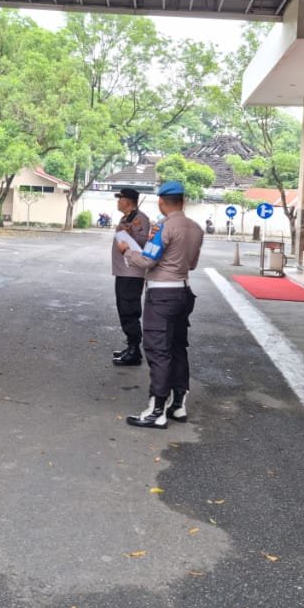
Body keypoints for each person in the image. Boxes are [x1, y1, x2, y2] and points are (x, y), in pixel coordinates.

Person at [119, 180, 204, 429]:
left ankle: (157, 410)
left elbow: (148, 261)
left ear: (161, 201)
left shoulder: (163, 227)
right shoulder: (196, 228)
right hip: (183, 292)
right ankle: (178, 404)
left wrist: (127, 251)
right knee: (178, 348)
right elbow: (193, 264)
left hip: (162, 295)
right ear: (183, 201)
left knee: (158, 350)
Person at [110, 187, 151, 367]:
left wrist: (128, 233)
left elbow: (141, 242)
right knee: (123, 308)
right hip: (123, 271)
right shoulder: (127, 217)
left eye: (120, 199)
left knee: (129, 310)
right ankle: (131, 346)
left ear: (127, 201)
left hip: (132, 272)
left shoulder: (139, 218)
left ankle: (135, 352)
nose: (118, 201)